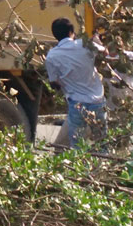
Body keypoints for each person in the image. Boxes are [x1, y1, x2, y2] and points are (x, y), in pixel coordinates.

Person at [45, 18, 108, 149]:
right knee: (102, 142)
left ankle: (81, 167)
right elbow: (105, 52)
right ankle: (104, 165)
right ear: (71, 32)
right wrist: (96, 41)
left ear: (55, 35)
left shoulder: (51, 56)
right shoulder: (85, 45)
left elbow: (53, 83)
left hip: (77, 105)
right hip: (97, 101)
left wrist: (64, 82)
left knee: (77, 145)